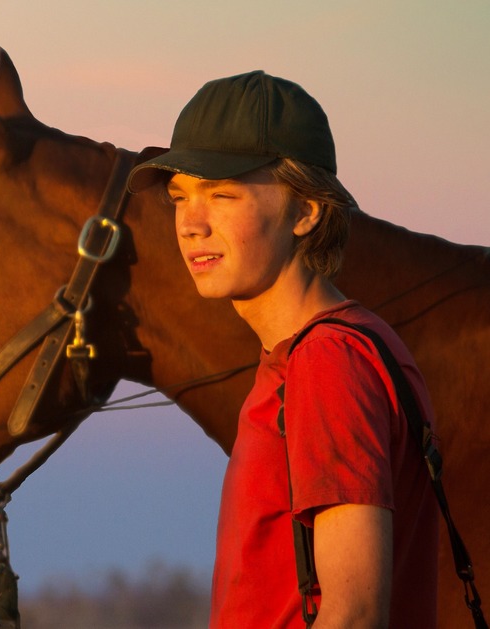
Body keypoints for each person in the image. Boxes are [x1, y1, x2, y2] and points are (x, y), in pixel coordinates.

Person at [128, 71, 439, 627]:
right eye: (179, 197)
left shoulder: (329, 362)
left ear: (306, 211)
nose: (191, 224)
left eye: (222, 194)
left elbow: (354, 613)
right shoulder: (337, 347)